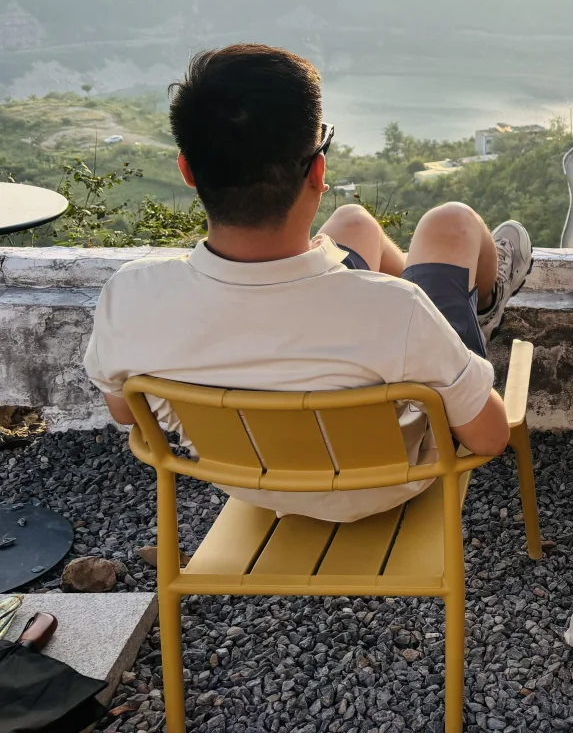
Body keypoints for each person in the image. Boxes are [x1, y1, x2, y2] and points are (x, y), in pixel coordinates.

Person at [84, 44, 533, 523]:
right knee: (452, 222)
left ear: (188, 171)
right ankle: (473, 315)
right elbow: (487, 438)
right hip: (387, 484)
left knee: (354, 223)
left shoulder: (131, 297)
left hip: (249, 480)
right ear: (317, 171)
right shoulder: (397, 309)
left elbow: (127, 412)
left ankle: (442, 330)